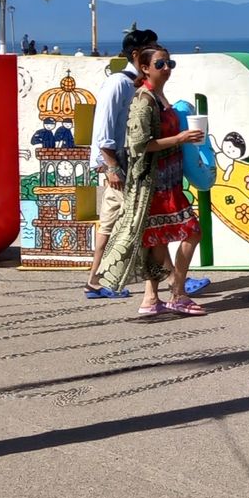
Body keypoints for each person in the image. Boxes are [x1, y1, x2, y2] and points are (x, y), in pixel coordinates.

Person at [91, 43, 209, 317]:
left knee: (157, 240)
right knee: (192, 231)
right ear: (144, 67)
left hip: (168, 180)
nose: (166, 68)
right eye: (160, 64)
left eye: (169, 64)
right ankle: (178, 293)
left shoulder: (159, 96)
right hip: (154, 184)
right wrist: (180, 138)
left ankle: (150, 299)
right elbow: (139, 145)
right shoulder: (144, 100)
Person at [85, 27, 158, 297]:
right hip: (120, 166)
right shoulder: (119, 83)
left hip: (125, 165)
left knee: (111, 224)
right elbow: (103, 128)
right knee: (142, 221)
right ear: (137, 54)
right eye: (152, 48)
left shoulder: (137, 85)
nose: (157, 52)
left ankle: (95, 281)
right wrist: (112, 166)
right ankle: (175, 281)